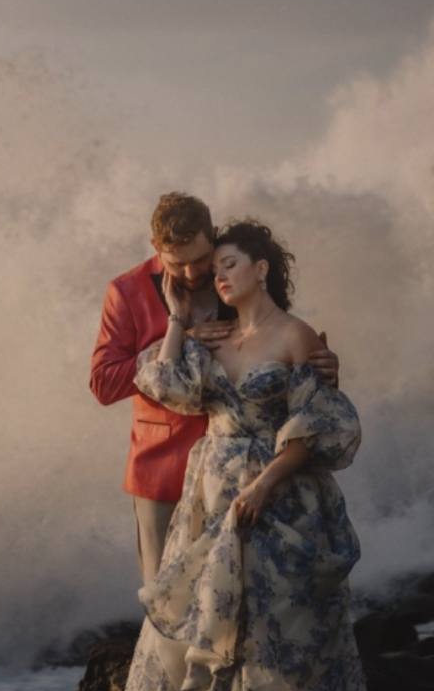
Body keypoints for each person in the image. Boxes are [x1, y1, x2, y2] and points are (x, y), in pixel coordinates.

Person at [97, 219, 397, 691]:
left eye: (229, 264)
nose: (218, 277)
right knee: (209, 636)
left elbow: (318, 422)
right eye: (214, 269)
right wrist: (177, 320)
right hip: (211, 500)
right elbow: (163, 384)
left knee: (276, 639)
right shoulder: (215, 334)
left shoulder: (298, 336)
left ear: (262, 268)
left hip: (276, 501)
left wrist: (264, 484)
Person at [90, 194, 337, 585]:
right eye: (177, 263)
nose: (191, 273)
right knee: (167, 594)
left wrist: (322, 366)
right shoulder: (126, 291)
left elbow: (277, 345)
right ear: (156, 247)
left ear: (213, 236)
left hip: (244, 469)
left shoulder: (234, 274)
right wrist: (182, 338)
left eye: (200, 259)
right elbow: (103, 383)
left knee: (239, 595)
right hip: (162, 468)